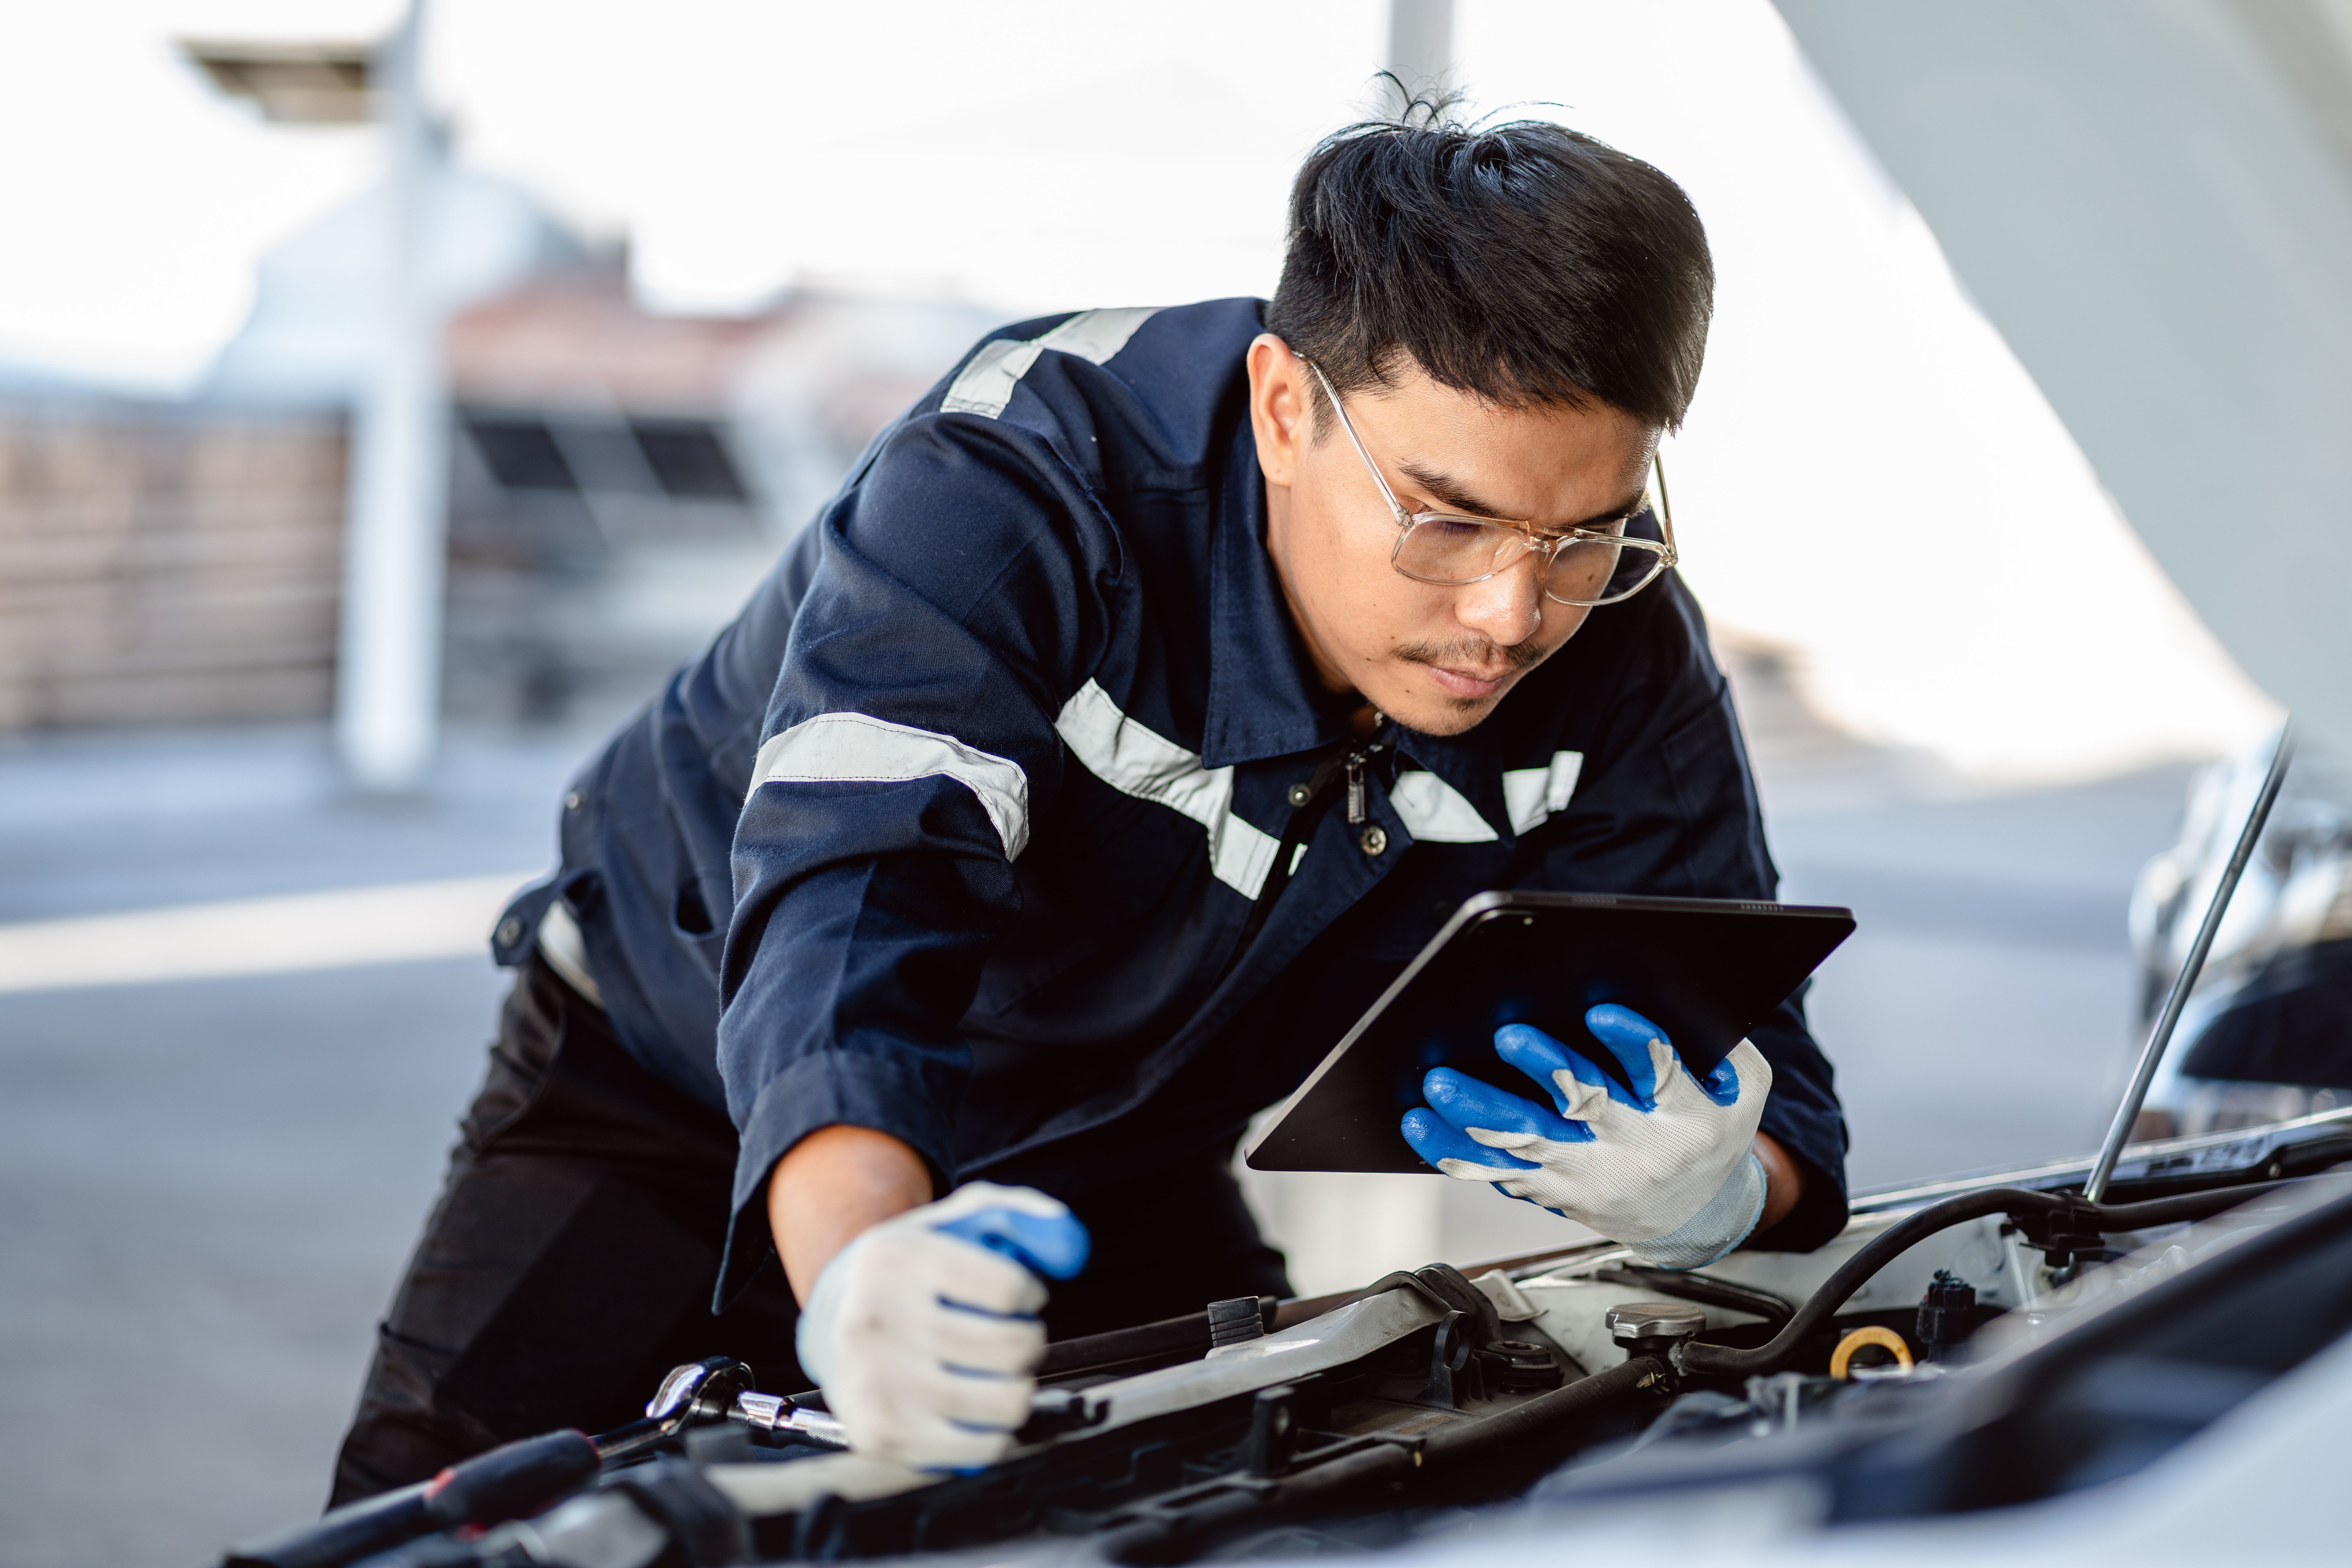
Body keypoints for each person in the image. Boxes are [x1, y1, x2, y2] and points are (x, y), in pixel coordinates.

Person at [331, 102, 1847, 1496]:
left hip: (1107, 1163)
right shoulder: (1012, 482)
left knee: (1253, 1507)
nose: (1516, 612)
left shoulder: (1621, 638)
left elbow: (1781, 1097)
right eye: (1446, 521)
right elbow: (851, 904)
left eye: (1588, 528)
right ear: (1282, 410)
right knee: (432, 1528)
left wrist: (1718, 1192)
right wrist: (862, 1266)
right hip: (675, 1091)